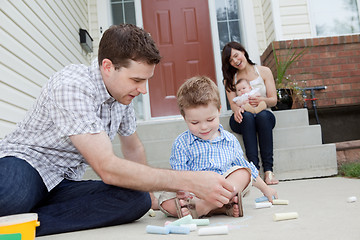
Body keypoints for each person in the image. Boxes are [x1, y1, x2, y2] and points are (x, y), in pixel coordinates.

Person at [0, 24, 236, 236]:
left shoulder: (121, 99)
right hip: (25, 165)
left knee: (137, 200)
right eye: (136, 80)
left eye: (146, 81)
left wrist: (152, 197)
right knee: (13, 195)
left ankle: (20, 226)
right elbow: (107, 168)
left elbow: (133, 148)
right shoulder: (72, 86)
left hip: (62, 183)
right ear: (107, 67)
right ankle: (17, 215)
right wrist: (190, 181)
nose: (143, 90)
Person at [158, 76, 277, 219]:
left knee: (243, 173)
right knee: (165, 201)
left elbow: (248, 169)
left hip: (225, 187)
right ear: (185, 118)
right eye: (195, 122)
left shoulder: (229, 140)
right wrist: (186, 193)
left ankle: (205, 207)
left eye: (210, 119)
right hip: (196, 191)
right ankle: (220, 207)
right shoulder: (182, 143)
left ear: (219, 110)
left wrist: (266, 189)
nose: (204, 127)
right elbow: (180, 176)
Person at [221, 41, 279, 185]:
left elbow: (273, 100)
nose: (235, 61)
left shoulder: (264, 71)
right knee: (247, 117)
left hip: (263, 114)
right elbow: (234, 105)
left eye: (236, 55)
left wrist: (262, 99)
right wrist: (238, 110)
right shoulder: (229, 80)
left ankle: (268, 171)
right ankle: (254, 170)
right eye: (231, 60)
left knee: (262, 116)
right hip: (243, 118)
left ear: (243, 52)